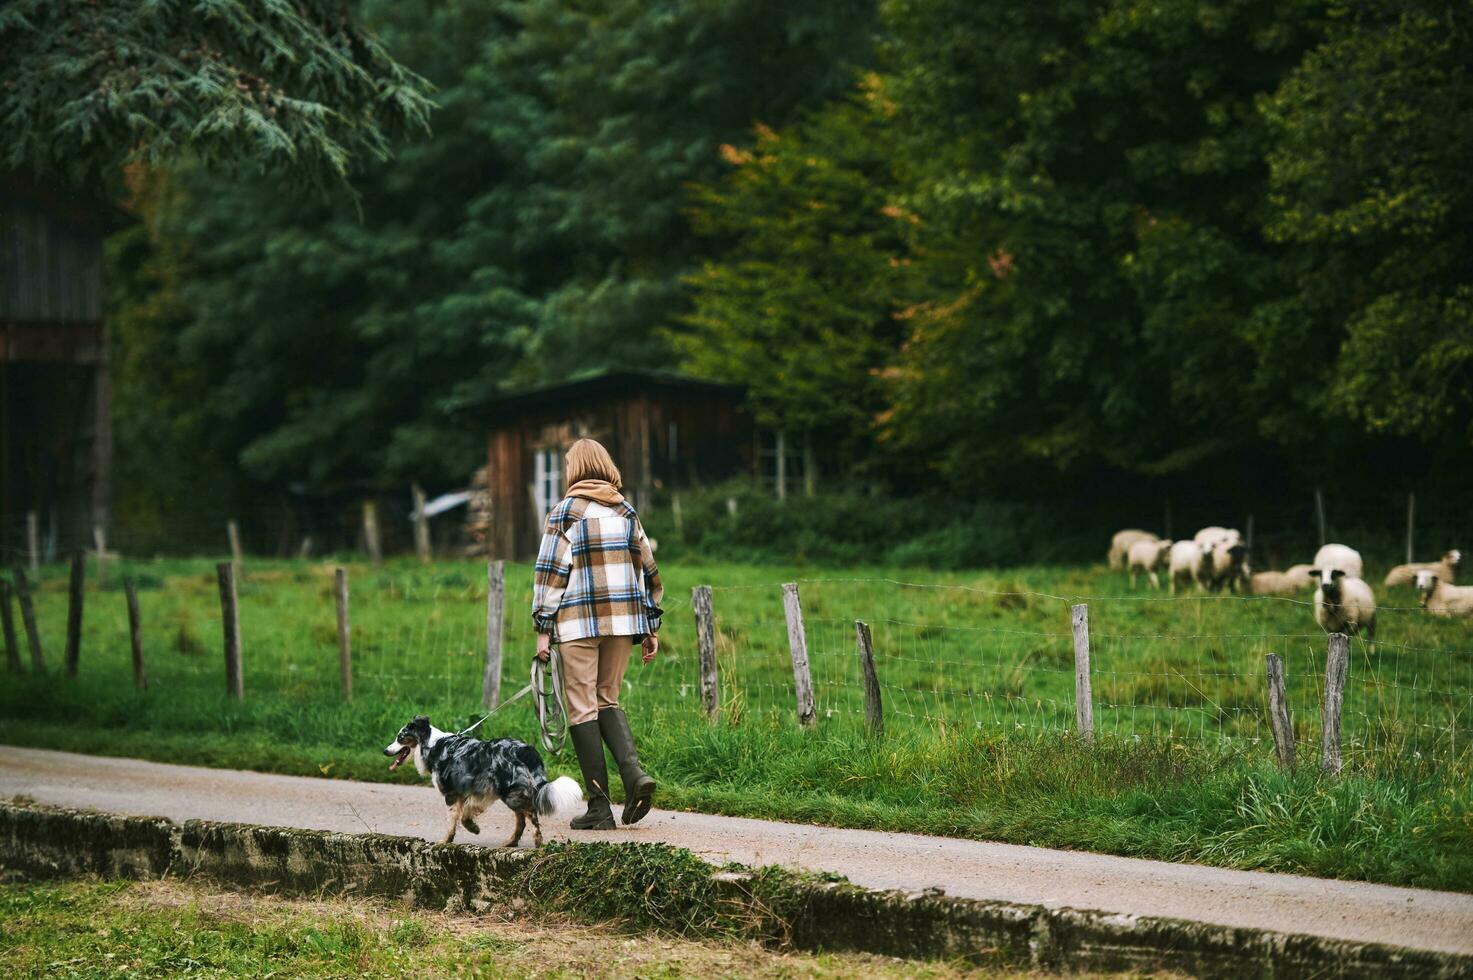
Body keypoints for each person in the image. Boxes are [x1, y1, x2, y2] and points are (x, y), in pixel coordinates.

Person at [531, 438, 662, 829]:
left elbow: (550, 574)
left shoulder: (565, 513)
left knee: (582, 707)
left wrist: (542, 628)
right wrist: (651, 623)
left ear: (574, 470)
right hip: (623, 621)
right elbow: (648, 570)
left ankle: (600, 808)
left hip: (578, 623)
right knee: (608, 698)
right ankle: (634, 774)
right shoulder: (626, 510)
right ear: (606, 465)